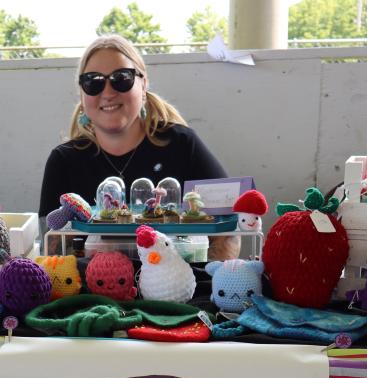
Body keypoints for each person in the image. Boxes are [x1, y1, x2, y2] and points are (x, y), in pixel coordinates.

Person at [38, 35, 238, 261]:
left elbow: (227, 232)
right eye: (93, 81)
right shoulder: (64, 161)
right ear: (82, 95)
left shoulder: (183, 145)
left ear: (143, 85)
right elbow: (52, 249)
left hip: (178, 289)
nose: (108, 92)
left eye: (121, 78)